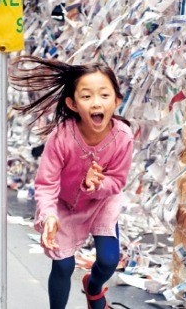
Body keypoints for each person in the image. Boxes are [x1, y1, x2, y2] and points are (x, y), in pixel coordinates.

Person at [10, 55, 134, 309]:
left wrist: (97, 184)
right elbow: (46, 184)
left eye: (104, 95)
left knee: (109, 260)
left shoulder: (123, 137)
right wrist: (49, 216)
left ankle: (94, 287)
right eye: (86, 96)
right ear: (73, 103)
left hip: (102, 201)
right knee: (63, 264)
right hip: (64, 204)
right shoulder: (62, 136)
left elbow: (117, 182)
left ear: (117, 101)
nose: (96, 102)